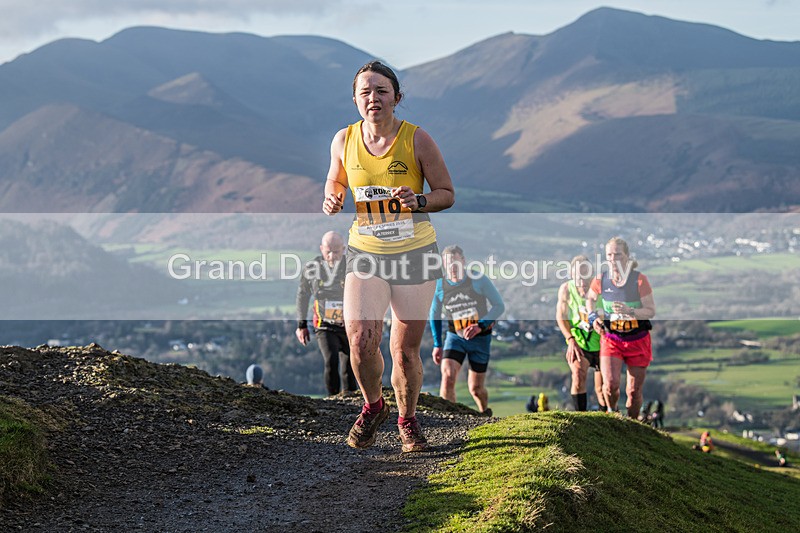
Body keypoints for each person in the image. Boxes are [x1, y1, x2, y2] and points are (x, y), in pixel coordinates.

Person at [322, 61, 455, 452]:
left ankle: (407, 419)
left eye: (381, 91)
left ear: (397, 97)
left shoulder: (417, 140)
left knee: (403, 349)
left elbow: (447, 192)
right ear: (355, 100)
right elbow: (336, 176)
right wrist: (333, 194)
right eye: (365, 92)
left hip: (414, 252)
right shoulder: (343, 140)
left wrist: (420, 201)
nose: (373, 98)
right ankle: (373, 405)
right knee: (361, 340)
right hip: (366, 251)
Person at [429, 245, 505, 416]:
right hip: (455, 337)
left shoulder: (478, 279)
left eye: (456, 263)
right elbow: (434, 315)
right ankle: (449, 418)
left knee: (476, 389)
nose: (452, 268)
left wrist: (481, 325)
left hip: (480, 339)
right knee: (448, 377)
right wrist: (437, 344)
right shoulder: (440, 285)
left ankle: (485, 412)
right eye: (448, 264)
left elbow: (499, 306)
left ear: (463, 261)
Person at [586, 237, 656, 418]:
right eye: (609, 254)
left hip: (637, 339)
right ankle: (613, 415)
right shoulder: (601, 279)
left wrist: (630, 311)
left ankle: (633, 425)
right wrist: (593, 317)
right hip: (611, 339)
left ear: (627, 256)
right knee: (610, 385)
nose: (612, 258)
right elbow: (590, 299)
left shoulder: (639, 280)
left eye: (617, 254)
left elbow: (650, 311)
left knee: (633, 392)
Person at [296, 231, 358, 397]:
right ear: (321, 249)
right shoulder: (312, 268)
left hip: (348, 326)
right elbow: (303, 295)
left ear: (343, 249)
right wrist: (301, 325)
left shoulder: (351, 267)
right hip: (324, 325)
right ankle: (332, 399)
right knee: (331, 360)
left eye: (336, 251)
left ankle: (350, 399)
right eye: (328, 251)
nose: (332, 256)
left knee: (349, 366)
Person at [556, 255, 606, 412]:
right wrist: (570, 339)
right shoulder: (566, 289)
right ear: (572, 275)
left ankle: (608, 420)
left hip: (602, 342)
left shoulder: (601, 288)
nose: (583, 280)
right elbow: (561, 316)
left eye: (586, 274)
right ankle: (581, 417)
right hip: (580, 341)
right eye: (578, 275)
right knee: (578, 375)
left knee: (603, 389)